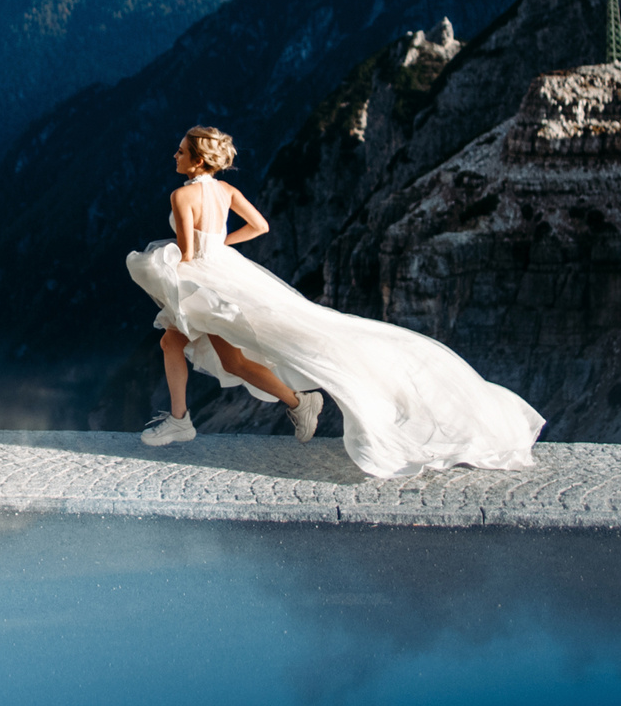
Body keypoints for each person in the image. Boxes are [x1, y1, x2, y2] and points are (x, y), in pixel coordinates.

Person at [124, 126, 543, 478]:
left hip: (204, 279)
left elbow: (186, 252)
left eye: (180, 151)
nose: (174, 155)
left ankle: (187, 420)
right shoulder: (226, 191)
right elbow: (261, 226)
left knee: (187, 345)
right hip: (227, 271)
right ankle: (288, 403)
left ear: (197, 161)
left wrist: (163, 263)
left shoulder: (182, 198)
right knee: (210, 353)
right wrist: (222, 246)